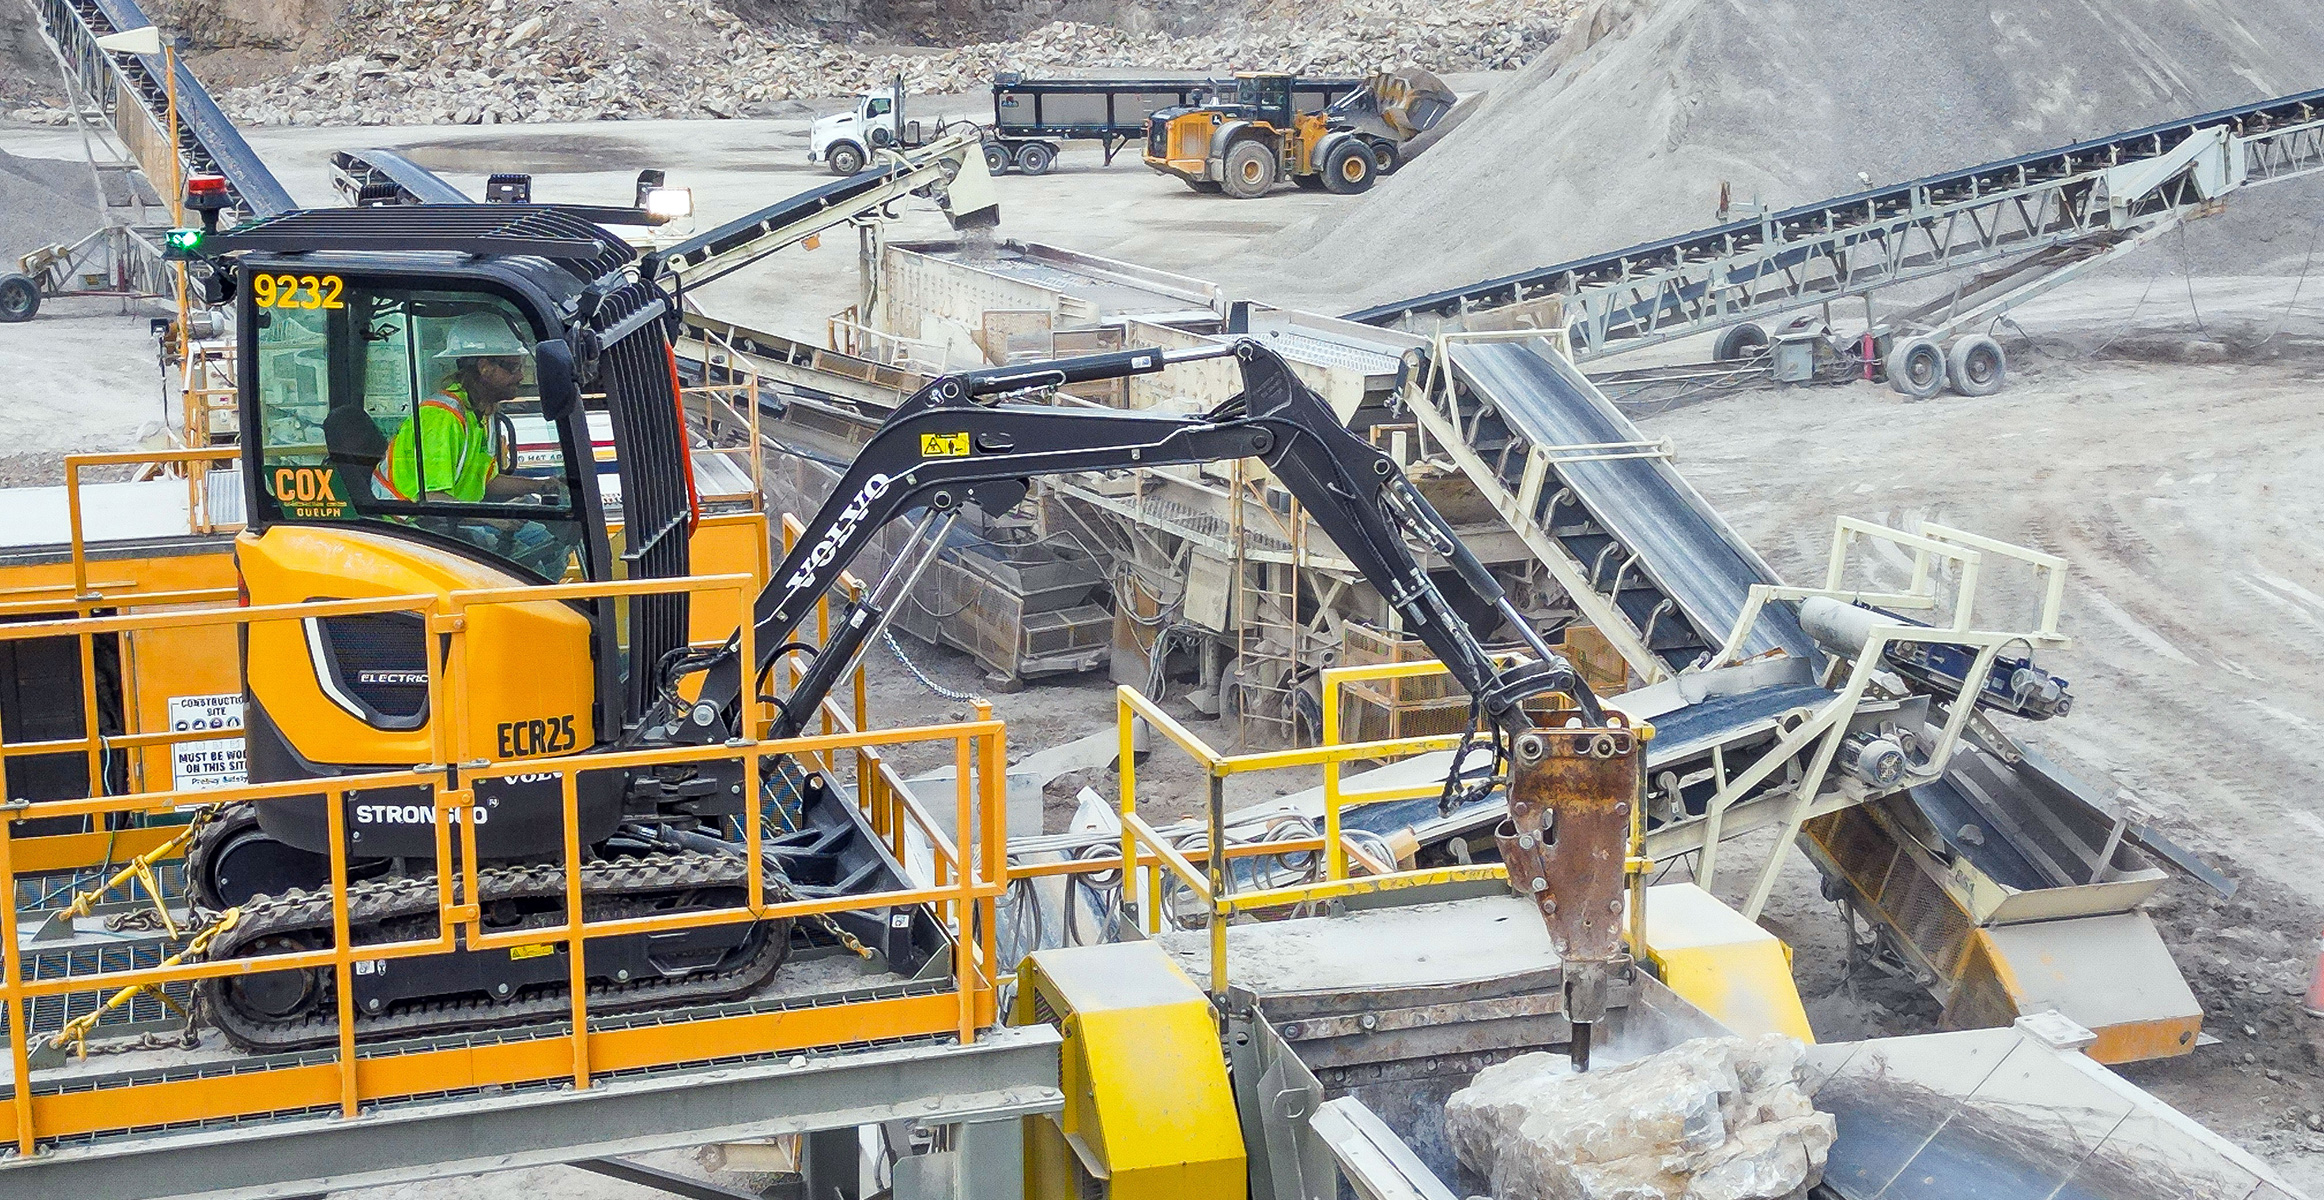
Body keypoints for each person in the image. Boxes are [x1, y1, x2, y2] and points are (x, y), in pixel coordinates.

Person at [371, 311, 558, 505]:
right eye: (513, 367)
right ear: (484, 367)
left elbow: (484, 482)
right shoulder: (441, 417)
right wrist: (492, 518)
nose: (520, 376)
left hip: (448, 516)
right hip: (404, 519)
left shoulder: (479, 413)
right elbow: (432, 500)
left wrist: (540, 486)